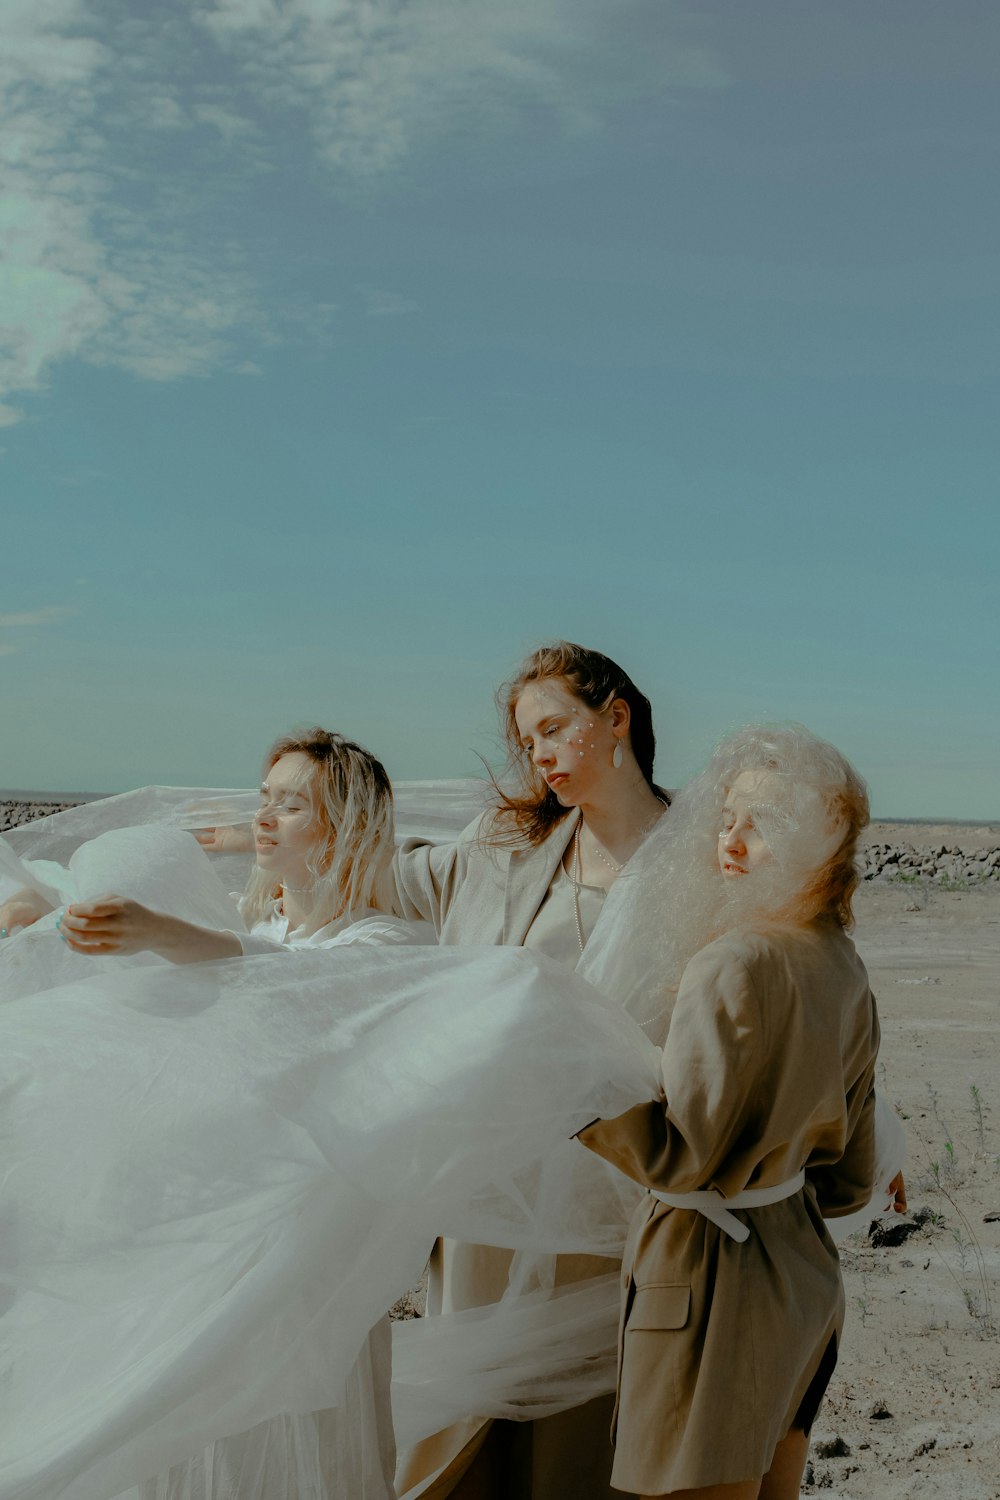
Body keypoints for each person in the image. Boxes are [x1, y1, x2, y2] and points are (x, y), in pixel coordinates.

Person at [387, 641, 670, 1500]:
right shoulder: (508, 845)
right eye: (529, 740)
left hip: (621, 1186)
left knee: (579, 1424)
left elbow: (779, 989)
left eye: (554, 729)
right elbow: (383, 881)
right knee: (466, 1420)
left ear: (614, 717)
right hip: (496, 1184)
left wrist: (866, 1117)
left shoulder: (704, 857)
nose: (540, 756)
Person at [576, 725, 882, 1499]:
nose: (733, 842)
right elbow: (850, 1183)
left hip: (705, 1283)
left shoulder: (733, 960)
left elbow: (685, 1155)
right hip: (803, 1276)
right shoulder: (840, 958)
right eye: (727, 817)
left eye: (767, 824)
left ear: (824, 843)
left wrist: (578, 1095)